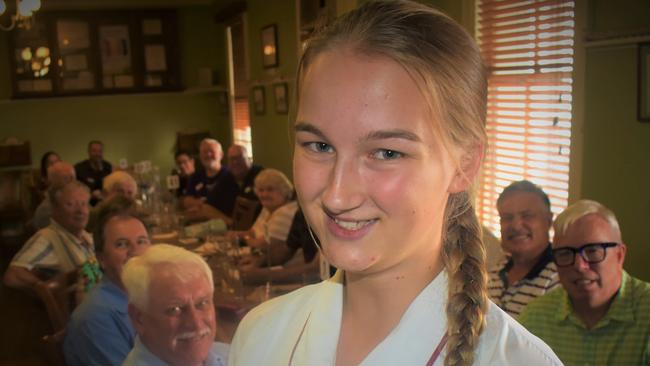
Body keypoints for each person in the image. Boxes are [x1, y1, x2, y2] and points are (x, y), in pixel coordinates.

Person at [228, 1, 561, 365]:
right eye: (319, 146)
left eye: (386, 153)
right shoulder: (260, 336)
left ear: (464, 164)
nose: (337, 195)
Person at [519, 200, 650, 364]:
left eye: (592, 251)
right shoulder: (535, 319)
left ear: (619, 255)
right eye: (565, 253)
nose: (580, 266)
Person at [64, 195, 151, 366]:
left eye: (141, 241)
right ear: (101, 258)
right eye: (121, 244)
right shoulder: (96, 318)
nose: (135, 252)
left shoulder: (141, 296)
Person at [122, 244, 229, 366]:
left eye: (202, 303)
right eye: (175, 309)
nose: (196, 324)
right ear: (139, 318)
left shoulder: (232, 354)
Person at [4, 181, 94, 291]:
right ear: (55, 209)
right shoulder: (47, 238)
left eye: (84, 204)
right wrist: (47, 290)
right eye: (71, 204)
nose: (80, 211)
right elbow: (12, 276)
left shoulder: (88, 237)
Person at [487, 180, 559, 317]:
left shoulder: (558, 278)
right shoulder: (496, 271)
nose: (516, 225)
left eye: (527, 216)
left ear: (548, 221)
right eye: (507, 217)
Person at [183, 138, 239, 224]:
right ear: (200, 156)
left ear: (221, 155)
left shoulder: (229, 176)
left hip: (224, 225)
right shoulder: (195, 176)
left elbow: (227, 206)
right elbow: (187, 201)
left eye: (212, 151)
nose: (208, 154)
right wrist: (202, 205)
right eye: (204, 152)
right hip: (199, 222)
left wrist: (204, 208)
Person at [32, 161, 76, 230]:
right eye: (67, 178)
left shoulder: (72, 199)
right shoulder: (47, 210)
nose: (73, 182)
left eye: (73, 178)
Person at [75, 140, 112, 206]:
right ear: (89, 152)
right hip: (85, 204)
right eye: (94, 151)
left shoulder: (108, 167)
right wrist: (90, 195)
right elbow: (75, 190)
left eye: (100, 151)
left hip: (105, 205)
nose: (97, 154)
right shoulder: (79, 168)